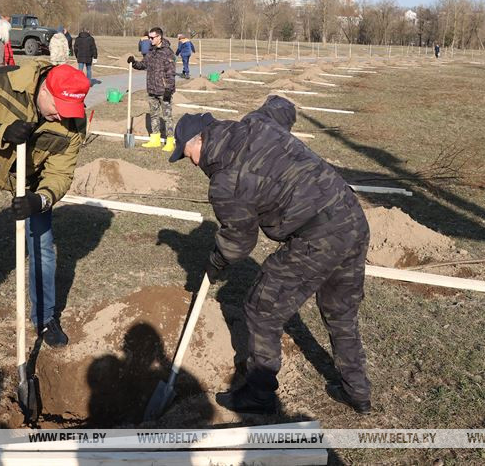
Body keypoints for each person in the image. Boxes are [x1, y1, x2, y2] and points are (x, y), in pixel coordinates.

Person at [167, 95, 372, 416]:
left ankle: (259, 395)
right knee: (340, 310)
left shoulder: (224, 181)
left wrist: (216, 260)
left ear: (199, 142)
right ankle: (357, 391)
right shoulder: (256, 123)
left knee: (262, 308)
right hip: (351, 217)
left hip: (315, 236)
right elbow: (281, 105)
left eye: (187, 154)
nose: (191, 162)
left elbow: (238, 242)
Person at [0, 61, 91, 348]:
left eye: (69, 112)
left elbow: (61, 172)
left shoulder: (73, 121)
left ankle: (45, 317)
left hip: (31, 181)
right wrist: (1, 131)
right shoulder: (1, 82)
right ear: (45, 88)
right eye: (58, 107)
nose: (60, 117)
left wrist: (41, 199)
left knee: (43, 248)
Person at [126, 27, 176, 151]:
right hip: (152, 89)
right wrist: (134, 63)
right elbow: (144, 64)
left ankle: (170, 141)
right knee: (154, 115)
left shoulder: (168, 52)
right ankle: (155, 139)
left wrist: (169, 89)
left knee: (167, 117)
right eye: (149, 37)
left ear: (159, 37)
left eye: (152, 37)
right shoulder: (151, 51)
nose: (150, 39)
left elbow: (171, 72)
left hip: (164, 91)